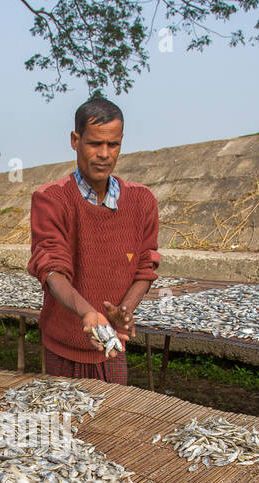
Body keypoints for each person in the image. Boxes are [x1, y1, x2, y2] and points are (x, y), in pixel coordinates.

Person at [27, 96, 161, 384]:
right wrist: (87, 312)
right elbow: (51, 270)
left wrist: (125, 310)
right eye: (94, 144)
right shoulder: (52, 199)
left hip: (112, 346)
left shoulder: (142, 201)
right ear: (75, 140)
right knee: (62, 424)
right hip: (62, 348)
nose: (104, 154)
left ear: (121, 142)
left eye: (112, 145)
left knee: (112, 421)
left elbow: (145, 265)